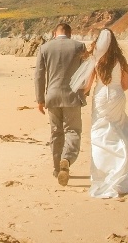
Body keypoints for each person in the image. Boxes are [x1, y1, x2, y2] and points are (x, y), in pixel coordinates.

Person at [80, 28, 128, 198]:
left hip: (100, 98)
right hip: (117, 96)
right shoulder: (120, 60)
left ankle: (104, 172)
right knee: (119, 129)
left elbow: (88, 86)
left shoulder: (95, 59)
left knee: (100, 133)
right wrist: (115, 86)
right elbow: (126, 85)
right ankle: (126, 167)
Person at [34, 23, 86, 186]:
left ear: (54, 33)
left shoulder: (45, 48)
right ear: (70, 34)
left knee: (56, 132)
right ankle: (67, 159)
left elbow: (39, 75)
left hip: (52, 95)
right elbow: (85, 71)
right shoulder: (79, 46)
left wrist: (40, 99)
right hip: (72, 95)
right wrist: (85, 92)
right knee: (73, 130)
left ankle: (57, 169)